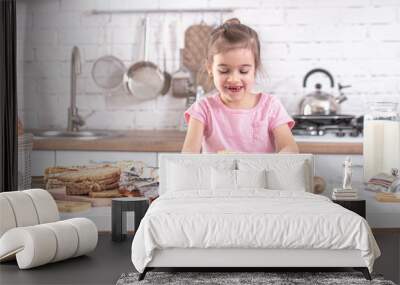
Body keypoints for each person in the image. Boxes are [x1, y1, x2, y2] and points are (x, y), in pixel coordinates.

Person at [181, 18, 299, 154]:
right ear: (210, 68)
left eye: (243, 71)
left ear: (255, 68)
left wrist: (283, 157)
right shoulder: (203, 109)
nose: (233, 79)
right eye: (224, 70)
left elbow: (290, 147)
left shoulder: (270, 106)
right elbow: (189, 155)